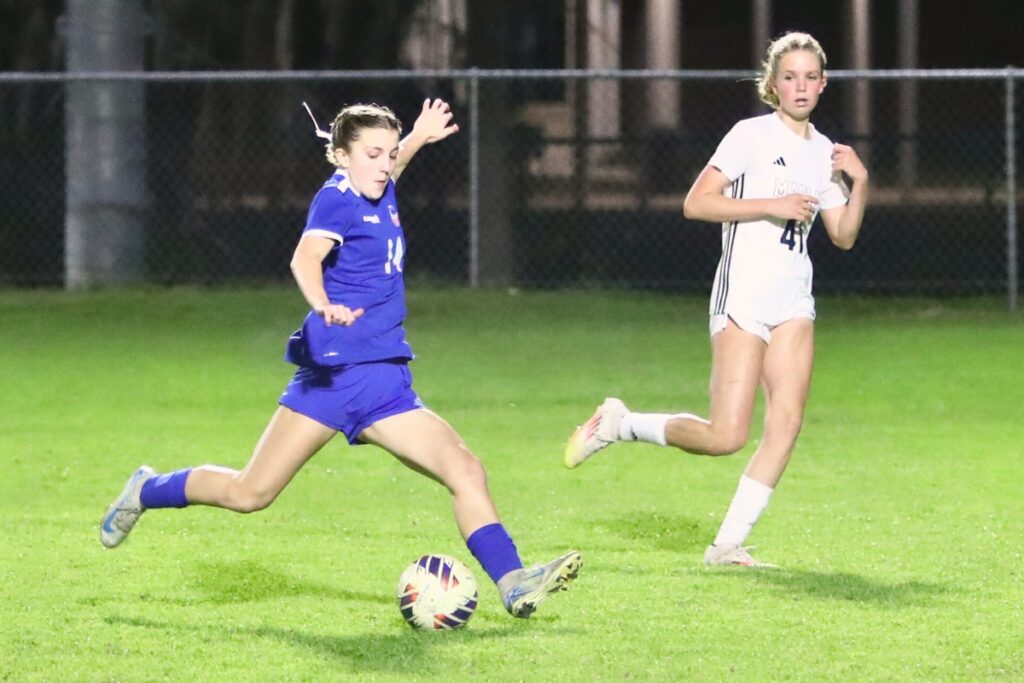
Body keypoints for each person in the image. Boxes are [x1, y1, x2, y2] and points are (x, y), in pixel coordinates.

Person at [100, 98, 581, 617]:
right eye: (371, 154)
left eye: (388, 153)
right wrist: (323, 303)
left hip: (386, 382)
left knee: (465, 468)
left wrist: (416, 136)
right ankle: (147, 489)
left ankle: (514, 582)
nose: (383, 163)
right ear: (342, 156)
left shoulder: (380, 181)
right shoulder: (336, 201)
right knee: (249, 493)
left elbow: (393, 165)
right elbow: (304, 258)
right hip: (333, 378)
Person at [564, 32, 869, 567]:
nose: (800, 86)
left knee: (787, 424)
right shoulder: (749, 135)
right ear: (773, 85)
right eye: (789, 76)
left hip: (795, 302)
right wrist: (771, 203)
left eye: (809, 77)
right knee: (726, 435)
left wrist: (859, 182)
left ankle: (726, 545)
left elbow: (843, 235)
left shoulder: (825, 152)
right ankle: (621, 423)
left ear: (823, 84)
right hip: (743, 299)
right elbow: (696, 203)